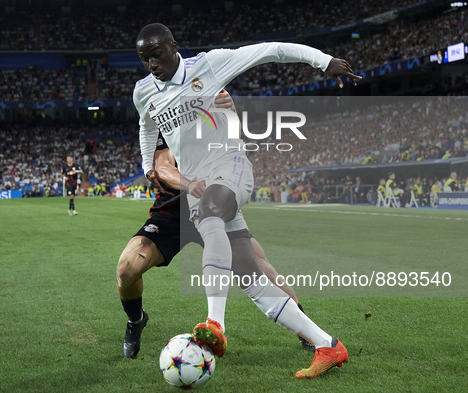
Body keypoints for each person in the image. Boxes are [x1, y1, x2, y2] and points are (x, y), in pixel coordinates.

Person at [134, 23, 356, 377]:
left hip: (230, 166)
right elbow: (147, 125)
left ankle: (214, 324)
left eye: (156, 55)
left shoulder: (208, 65)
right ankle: (328, 345)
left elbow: (271, 49)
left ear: (173, 47)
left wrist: (323, 60)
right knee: (251, 278)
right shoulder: (144, 91)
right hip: (198, 183)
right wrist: (148, 164)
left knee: (210, 209)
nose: (151, 64)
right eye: (144, 58)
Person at [118, 130, 315, 362]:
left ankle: (307, 330)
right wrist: (189, 183)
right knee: (126, 270)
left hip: (212, 205)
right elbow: (163, 167)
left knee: (259, 267)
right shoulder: (167, 120)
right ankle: (136, 320)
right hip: (172, 211)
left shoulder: (210, 120)